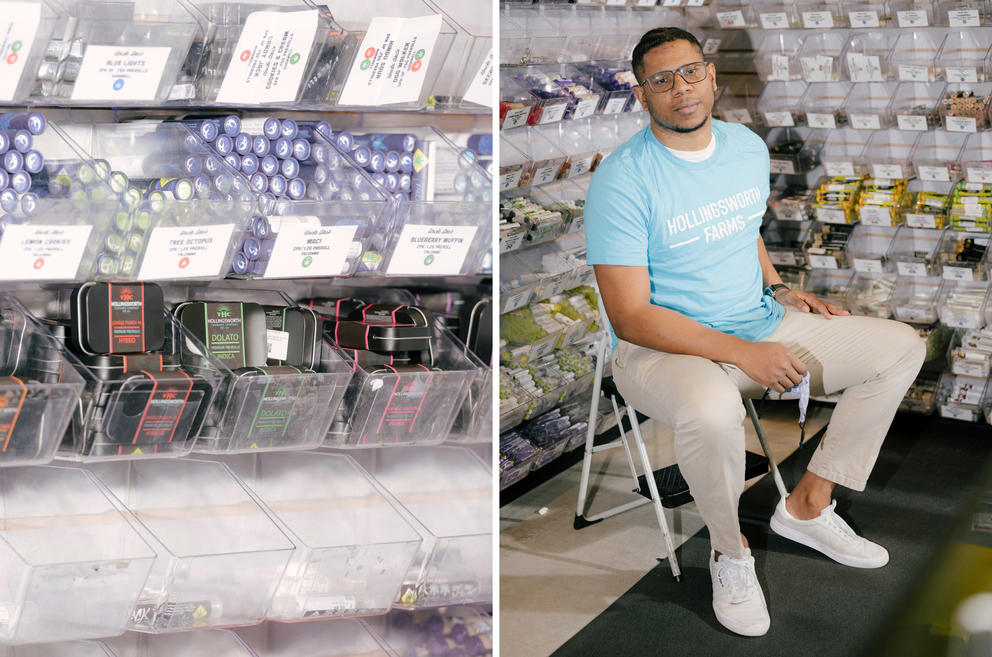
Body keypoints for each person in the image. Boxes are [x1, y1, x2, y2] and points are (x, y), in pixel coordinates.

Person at [583, 26, 926, 637]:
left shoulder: (744, 147)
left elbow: (742, 230)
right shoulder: (622, 179)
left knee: (900, 348)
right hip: (660, 349)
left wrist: (777, 288)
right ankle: (729, 551)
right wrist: (744, 353)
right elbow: (631, 316)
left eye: (690, 72)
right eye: (661, 81)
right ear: (642, 95)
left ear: (712, 76)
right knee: (715, 412)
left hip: (758, 322)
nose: (680, 89)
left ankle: (808, 505)